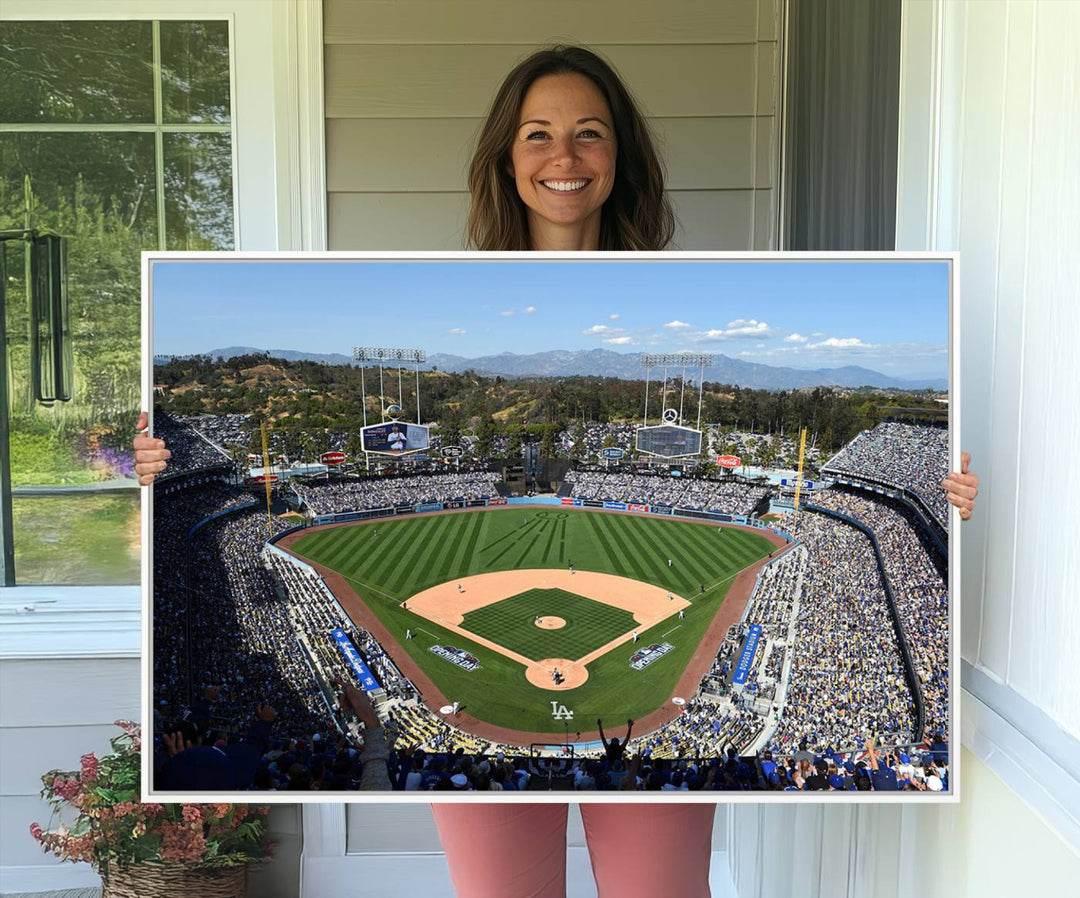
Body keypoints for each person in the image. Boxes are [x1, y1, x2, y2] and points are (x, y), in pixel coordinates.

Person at [134, 42, 978, 898]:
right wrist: (152, 471)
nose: (563, 157)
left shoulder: (684, 286)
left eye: (589, 133)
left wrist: (940, 505)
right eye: (537, 134)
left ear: (621, 157)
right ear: (506, 156)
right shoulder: (449, 286)